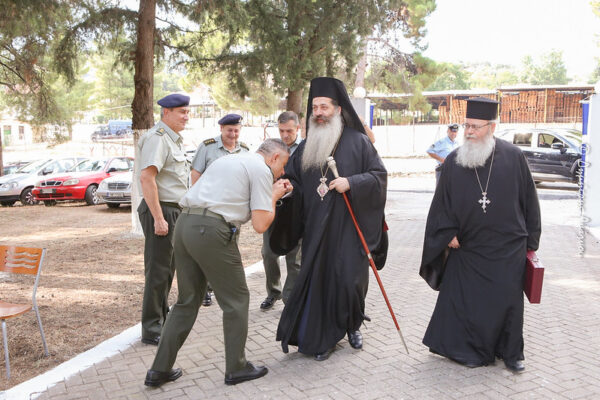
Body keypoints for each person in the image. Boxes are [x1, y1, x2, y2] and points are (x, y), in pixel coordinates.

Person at [144, 138, 292, 387]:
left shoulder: (229, 159)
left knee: (186, 301)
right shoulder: (261, 169)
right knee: (237, 300)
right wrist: (275, 194)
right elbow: (261, 225)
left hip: (185, 224)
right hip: (212, 230)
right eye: (283, 165)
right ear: (274, 157)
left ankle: (159, 370)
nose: (283, 172)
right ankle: (237, 367)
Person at [419, 97, 541, 373]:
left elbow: (529, 201)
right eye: (467, 126)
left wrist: (531, 242)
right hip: (468, 248)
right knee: (467, 303)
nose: (469, 131)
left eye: (476, 126)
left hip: (507, 249)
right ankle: (468, 350)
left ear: (492, 127)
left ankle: (510, 353)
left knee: (507, 303)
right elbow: (441, 203)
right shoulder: (454, 161)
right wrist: (447, 232)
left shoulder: (514, 157)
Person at [272, 77, 388, 361]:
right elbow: (295, 179)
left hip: (349, 230)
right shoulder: (307, 146)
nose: (319, 113)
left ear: (338, 109)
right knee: (320, 282)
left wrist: (352, 182)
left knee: (350, 282)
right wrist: (288, 188)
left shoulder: (359, 142)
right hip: (317, 230)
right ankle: (325, 336)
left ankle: (353, 325)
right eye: (315, 108)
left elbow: (379, 177)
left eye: (324, 107)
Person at [137, 93, 190, 346]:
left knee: (168, 270)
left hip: (173, 210)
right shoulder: (158, 139)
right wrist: (159, 218)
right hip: (161, 210)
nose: (186, 117)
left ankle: (161, 318)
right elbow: (147, 178)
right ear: (166, 113)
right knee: (158, 271)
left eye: (187, 112)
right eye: (182, 112)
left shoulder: (173, 140)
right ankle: (151, 328)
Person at [190, 113, 249, 306]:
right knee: (207, 249)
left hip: (233, 208)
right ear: (221, 128)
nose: (233, 134)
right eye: (229, 130)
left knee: (230, 247)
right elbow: (195, 174)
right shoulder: (207, 147)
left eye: (236, 131)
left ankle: (224, 286)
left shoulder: (244, 150)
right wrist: (201, 200)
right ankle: (204, 289)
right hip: (211, 207)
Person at [259, 111, 303, 310]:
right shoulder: (271, 147)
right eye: (281, 130)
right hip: (274, 207)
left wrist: (294, 188)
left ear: (298, 129)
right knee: (269, 253)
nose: (285, 135)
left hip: (296, 210)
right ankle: (273, 292)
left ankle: (289, 299)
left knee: (295, 258)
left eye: (289, 131)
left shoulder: (304, 149)